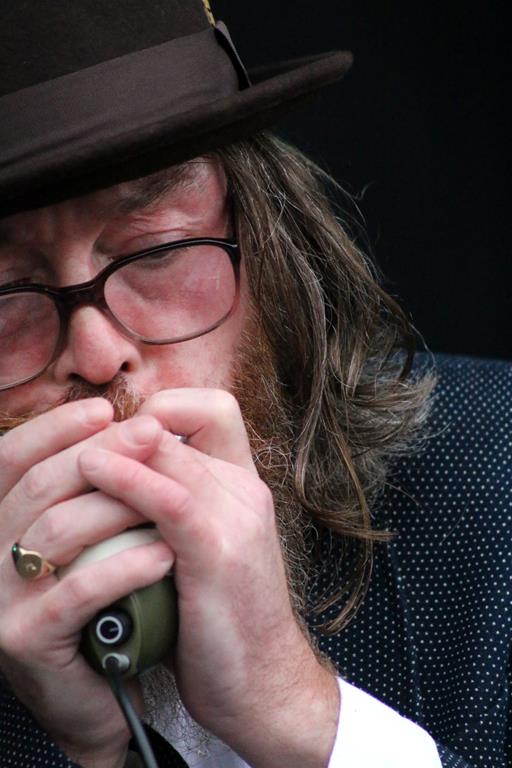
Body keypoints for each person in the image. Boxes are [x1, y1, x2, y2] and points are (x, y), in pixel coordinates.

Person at [0, 2, 509, 768]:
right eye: (7, 293)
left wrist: (295, 710)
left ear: (269, 248)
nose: (98, 354)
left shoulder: (497, 483)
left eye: (154, 251)